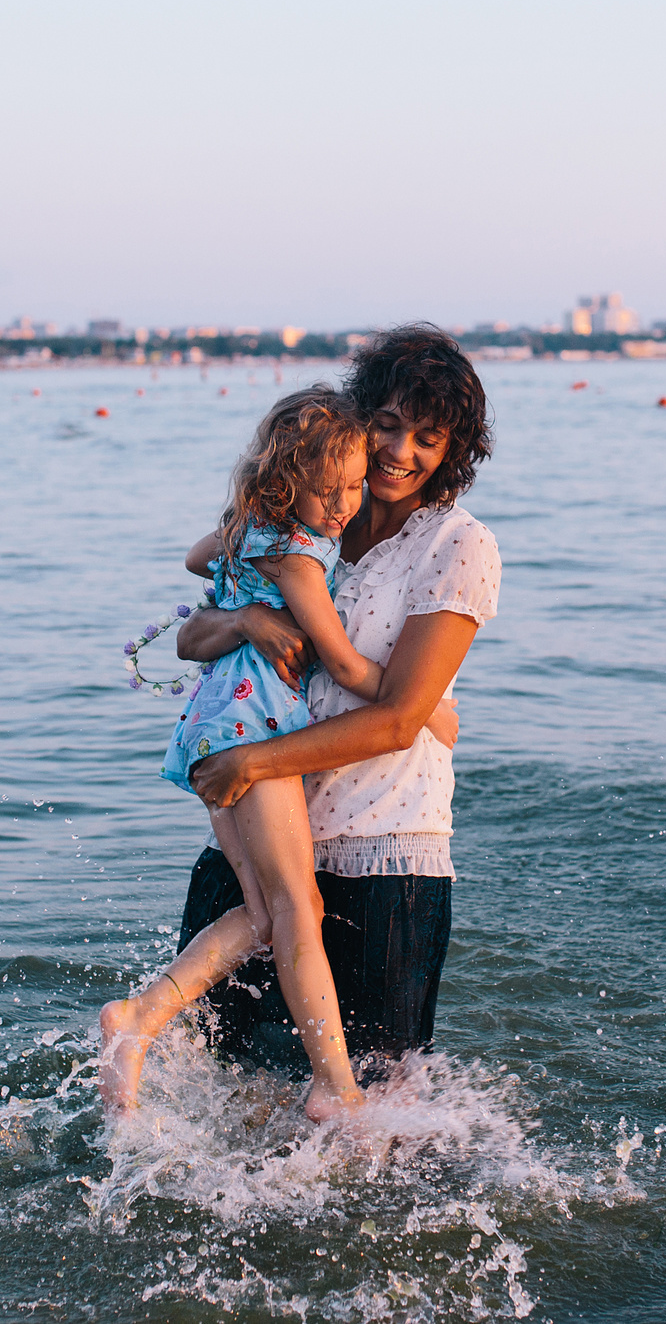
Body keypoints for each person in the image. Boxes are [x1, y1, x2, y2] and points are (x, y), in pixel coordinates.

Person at [138, 325, 500, 1087]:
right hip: (269, 834)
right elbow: (191, 636)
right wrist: (244, 622)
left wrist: (249, 759)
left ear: (453, 453)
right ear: (358, 417)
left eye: (427, 438)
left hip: (380, 861)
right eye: (389, 424)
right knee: (210, 1093)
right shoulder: (310, 508)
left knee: (372, 1129)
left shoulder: (458, 546)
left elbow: (399, 717)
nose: (400, 451)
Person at [98, 386, 392, 1121]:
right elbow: (346, 665)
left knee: (263, 914)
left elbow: (198, 556)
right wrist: (422, 705)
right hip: (251, 725)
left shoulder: (251, 528)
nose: (344, 505)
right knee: (300, 904)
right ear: (287, 482)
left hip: (208, 724)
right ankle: (336, 1085)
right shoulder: (296, 556)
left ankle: (139, 1018)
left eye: (355, 486)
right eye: (327, 491)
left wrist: (243, 575)